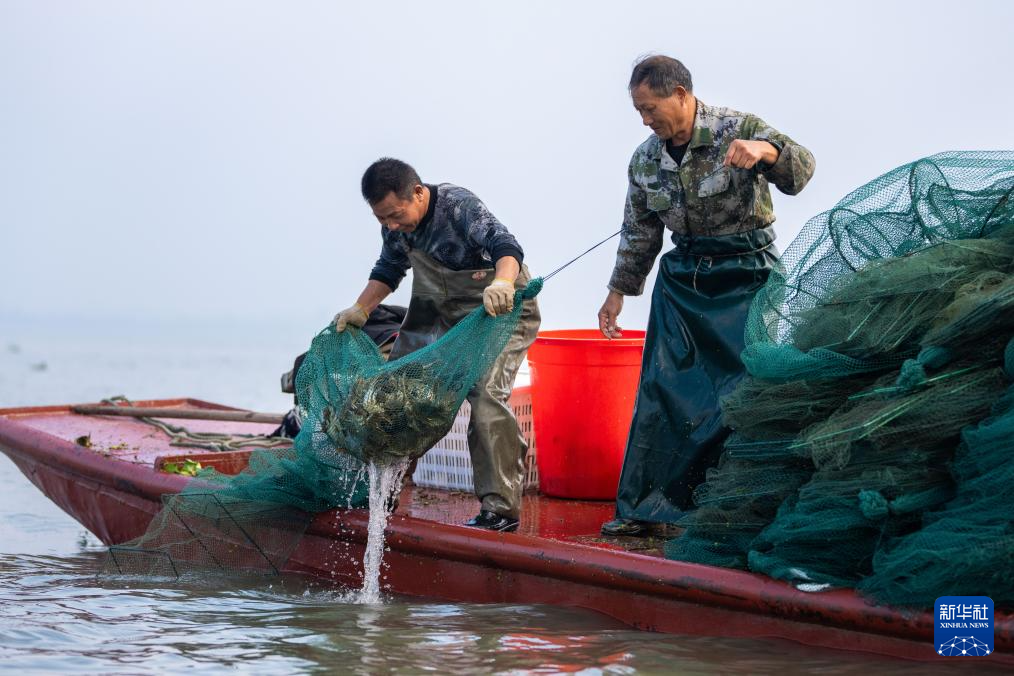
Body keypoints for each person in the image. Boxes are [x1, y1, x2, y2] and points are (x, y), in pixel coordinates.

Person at [598, 56, 815, 537]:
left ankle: (733, 511)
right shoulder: (644, 159)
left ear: (680, 94)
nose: (645, 120)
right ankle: (647, 509)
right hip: (684, 280)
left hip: (747, 274)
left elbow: (802, 170)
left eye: (650, 108)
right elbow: (639, 233)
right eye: (638, 110)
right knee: (663, 387)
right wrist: (617, 293)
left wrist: (766, 151)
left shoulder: (738, 127)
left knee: (744, 393)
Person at [334, 158, 541, 532]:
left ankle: (500, 510)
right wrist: (360, 309)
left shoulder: (457, 205)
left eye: (396, 215)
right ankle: (384, 490)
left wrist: (502, 283)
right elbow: (388, 269)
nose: (391, 225)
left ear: (417, 193)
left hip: (500, 310)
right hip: (441, 313)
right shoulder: (395, 226)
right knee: (395, 392)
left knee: (485, 394)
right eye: (382, 219)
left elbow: (505, 245)